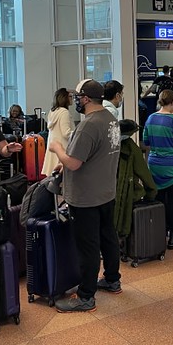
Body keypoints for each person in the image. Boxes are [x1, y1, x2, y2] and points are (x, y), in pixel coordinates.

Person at [49, 79, 123, 312]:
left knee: (88, 246)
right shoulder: (110, 119)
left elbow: (73, 162)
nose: (75, 102)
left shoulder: (89, 124)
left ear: (86, 99)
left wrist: (57, 149)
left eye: (78, 97)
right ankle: (112, 279)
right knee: (108, 236)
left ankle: (86, 296)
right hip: (105, 191)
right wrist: (65, 162)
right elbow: (95, 153)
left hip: (86, 196)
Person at [143, 89, 173, 249]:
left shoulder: (151, 117)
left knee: (160, 200)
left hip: (155, 165)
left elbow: (146, 140)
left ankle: (159, 233)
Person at [114, 119, 157, 239]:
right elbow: (144, 173)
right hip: (126, 194)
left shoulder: (108, 145)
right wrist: (151, 194)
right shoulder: (131, 148)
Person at [41, 88, 73, 177]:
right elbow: (66, 133)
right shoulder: (64, 112)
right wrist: (78, 134)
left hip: (53, 148)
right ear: (64, 98)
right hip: (62, 148)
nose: (72, 99)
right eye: (70, 97)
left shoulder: (53, 111)